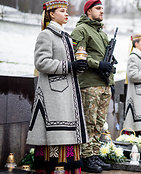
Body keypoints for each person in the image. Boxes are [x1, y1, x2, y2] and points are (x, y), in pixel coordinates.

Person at [27, 1, 88, 173]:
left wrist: (79, 66)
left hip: (68, 95)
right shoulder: (46, 35)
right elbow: (41, 62)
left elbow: (70, 63)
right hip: (53, 95)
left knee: (68, 135)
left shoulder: (66, 36)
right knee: (57, 134)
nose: (67, 14)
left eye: (67, 11)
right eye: (62, 11)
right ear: (51, 14)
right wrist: (69, 66)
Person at [71, 0, 113, 172]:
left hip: (104, 83)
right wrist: (98, 65)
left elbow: (105, 57)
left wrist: (110, 67)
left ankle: (95, 154)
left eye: (102, 8)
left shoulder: (100, 32)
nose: (101, 11)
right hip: (89, 84)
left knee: (99, 123)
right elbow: (78, 55)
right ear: (88, 11)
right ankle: (87, 157)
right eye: (97, 8)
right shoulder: (81, 30)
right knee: (89, 122)